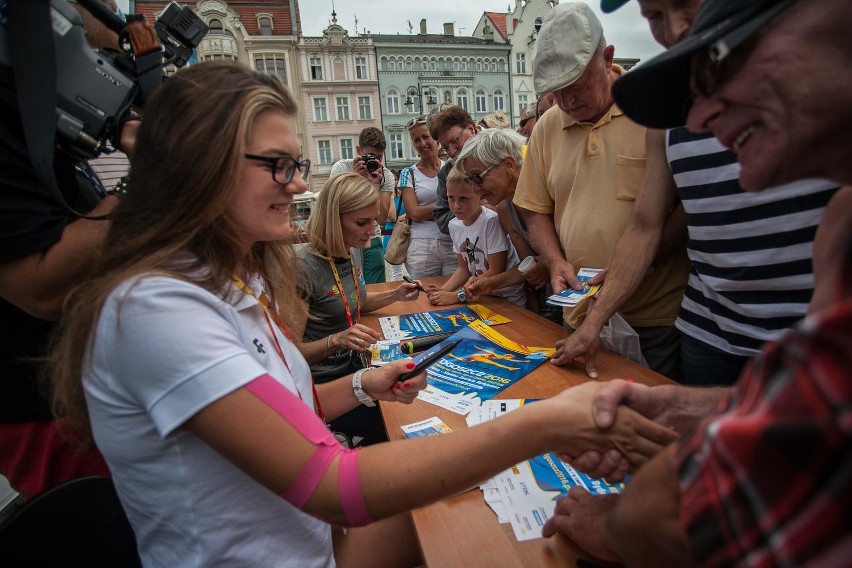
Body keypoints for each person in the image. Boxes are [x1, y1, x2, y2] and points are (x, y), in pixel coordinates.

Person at [46, 61, 677, 566]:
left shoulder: (218, 286)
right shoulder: (155, 311)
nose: (298, 185)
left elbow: (281, 415)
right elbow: (329, 485)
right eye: (280, 165)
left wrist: (357, 385)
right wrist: (543, 426)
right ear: (198, 165)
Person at [544, 1, 852, 565]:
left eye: (727, 60)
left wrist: (617, 526)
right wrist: (704, 409)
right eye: (655, 14)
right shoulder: (840, 228)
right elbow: (821, 410)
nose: (701, 114)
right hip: (711, 329)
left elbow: (777, 492)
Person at [551, 0, 839, 385]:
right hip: (710, 334)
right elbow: (644, 226)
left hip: (815, 334)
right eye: (653, 16)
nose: (674, 30)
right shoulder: (666, 114)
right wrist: (594, 322)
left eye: (685, 4)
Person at [0, 0, 140, 499]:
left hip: (92, 395)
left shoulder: (45, 128)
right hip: (54, 413)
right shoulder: (14, 124)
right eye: (102, 57)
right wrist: (149, 179)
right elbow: (39, 289)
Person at [512, 2, 691, 380]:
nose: (567, 103)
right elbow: (534, 209)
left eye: (575, 88)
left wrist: (638, 262)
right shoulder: (547, 127)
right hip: (577, 318)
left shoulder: (653, 111)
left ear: (606, 58)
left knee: (651, 426)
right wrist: (555, 261)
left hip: (652, 320)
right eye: (555, 94)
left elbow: (683, 210)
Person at [294, 172, 421, 445]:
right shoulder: (303, 268)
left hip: (356, 369)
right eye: (362, 222)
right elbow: (290, 355)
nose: (372, 231)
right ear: (333, 220)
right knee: (399, 427)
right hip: (324, 388)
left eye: (374, 221)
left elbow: (355, 302)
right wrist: (337, 340)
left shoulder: (352, 248)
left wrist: (396, 293)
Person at [454, 128, 561, 322]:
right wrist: (489, 283)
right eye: (470, 180)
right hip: (554, 298)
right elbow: (529, 266)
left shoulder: (551, 191)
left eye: (478, 177)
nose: (475, 188)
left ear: (509, 165)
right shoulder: (505, 208)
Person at [424, 167, 525, 307]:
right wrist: (443, 290)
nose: (456, 206)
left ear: (481, 196)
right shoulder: (453, 225)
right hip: (482, 297)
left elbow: (497, 269)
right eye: (451, 198)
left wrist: (456, 295)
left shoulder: (491, 221)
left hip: (508, 298)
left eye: (463, 199)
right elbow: (463, 269)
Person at [329, 127, 396, 284]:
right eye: (370, 156)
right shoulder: (341, 168)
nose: (374, 162)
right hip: (343, 242)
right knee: (346, 290)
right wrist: (355, 178)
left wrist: (373, 185)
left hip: (370, 239)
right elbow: (334, 207)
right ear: (359, 150)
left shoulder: (385, 175)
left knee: (376, 287)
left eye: (379, 157)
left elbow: (381, 219)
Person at [398, 115, 455, 278]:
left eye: (425, 137)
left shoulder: (452, 168)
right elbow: (413, 212)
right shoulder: (407, 173)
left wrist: (428, 211)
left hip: (453, 241)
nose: (422, 144)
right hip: (422, 247)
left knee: (454, 294)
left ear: (436, 138)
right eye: (416, 140)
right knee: (423, 297)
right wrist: (449, 205)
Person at [428, 104, 482, 235]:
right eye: (446, 147)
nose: (451, 152)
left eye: (454, 141)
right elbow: (441, 219)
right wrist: (475, 211)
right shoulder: (446, 173)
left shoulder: (499, 147)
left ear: (470, 128)